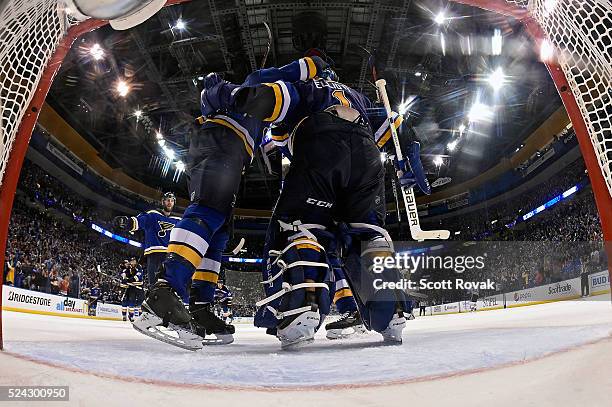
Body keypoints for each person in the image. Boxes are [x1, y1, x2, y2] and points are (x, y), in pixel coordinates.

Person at [206, 67, 429, 348]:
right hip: (367, 155)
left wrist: (231, 93)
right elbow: (395, 125)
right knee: (365, 233)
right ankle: (390, 313)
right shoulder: (356, 96)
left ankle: (302, 309)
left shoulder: (307, 89)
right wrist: (409, 156)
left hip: (321, 144)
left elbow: (271, 98)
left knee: (297, 226)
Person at [132, 56, 331, 350]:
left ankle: (200, 306)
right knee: (208, 211)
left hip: (232, 152)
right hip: (219, 142)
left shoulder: (254, 120)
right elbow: (218, 90)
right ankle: (165, 289)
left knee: (219, 230)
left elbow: (267, 138)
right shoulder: (251, 83)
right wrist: (317, 63)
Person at [114, 192, 180, 286]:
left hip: (171, 256)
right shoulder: (153, 215)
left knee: (170, 287)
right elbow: (139, 221)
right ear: (162, 202)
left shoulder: (178, 220)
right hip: (154, 255)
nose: (170, 202)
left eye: (172, 201)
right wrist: (127, 222)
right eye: (167, 200)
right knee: (154, 286)